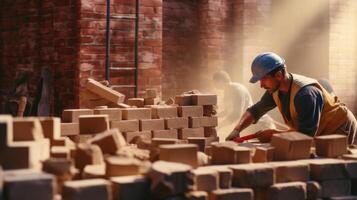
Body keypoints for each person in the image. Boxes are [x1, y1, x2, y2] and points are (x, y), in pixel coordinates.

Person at [226, 52, 357, 144]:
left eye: (263, 79)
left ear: (278, 75)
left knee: (334, 168)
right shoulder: (274, 90)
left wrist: (274, 134)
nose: (261, 85)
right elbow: (256, 110)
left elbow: (305, 135)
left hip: (338, 126)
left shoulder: (305, 94)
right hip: (317, 129)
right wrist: (237, 130)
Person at [212, 70, 278, 140]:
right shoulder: (227, 91)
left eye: (214, 82)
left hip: (261, 125)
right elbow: (227, 111)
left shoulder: (237, 89)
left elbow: (236, 113)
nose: (213, 84)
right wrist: (214, 117)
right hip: (249, 125)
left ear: (220, 80)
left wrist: (220, 126)